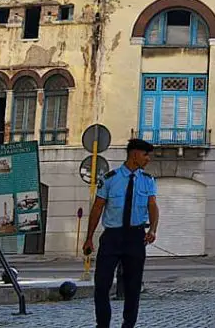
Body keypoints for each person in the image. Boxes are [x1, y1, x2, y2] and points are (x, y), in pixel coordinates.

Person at [82, 138, 159, 328]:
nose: (148, 159)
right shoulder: (110, 179)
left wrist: (153, 229)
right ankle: (103, 324)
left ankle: (128, 324)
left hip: (135, 237)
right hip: (112, 237)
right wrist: (89, 238)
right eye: (145, 154)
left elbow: (152, 206)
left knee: (133, 287)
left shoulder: (147, 180)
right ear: (134, 155)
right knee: (102, 285)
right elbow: (97, 208)